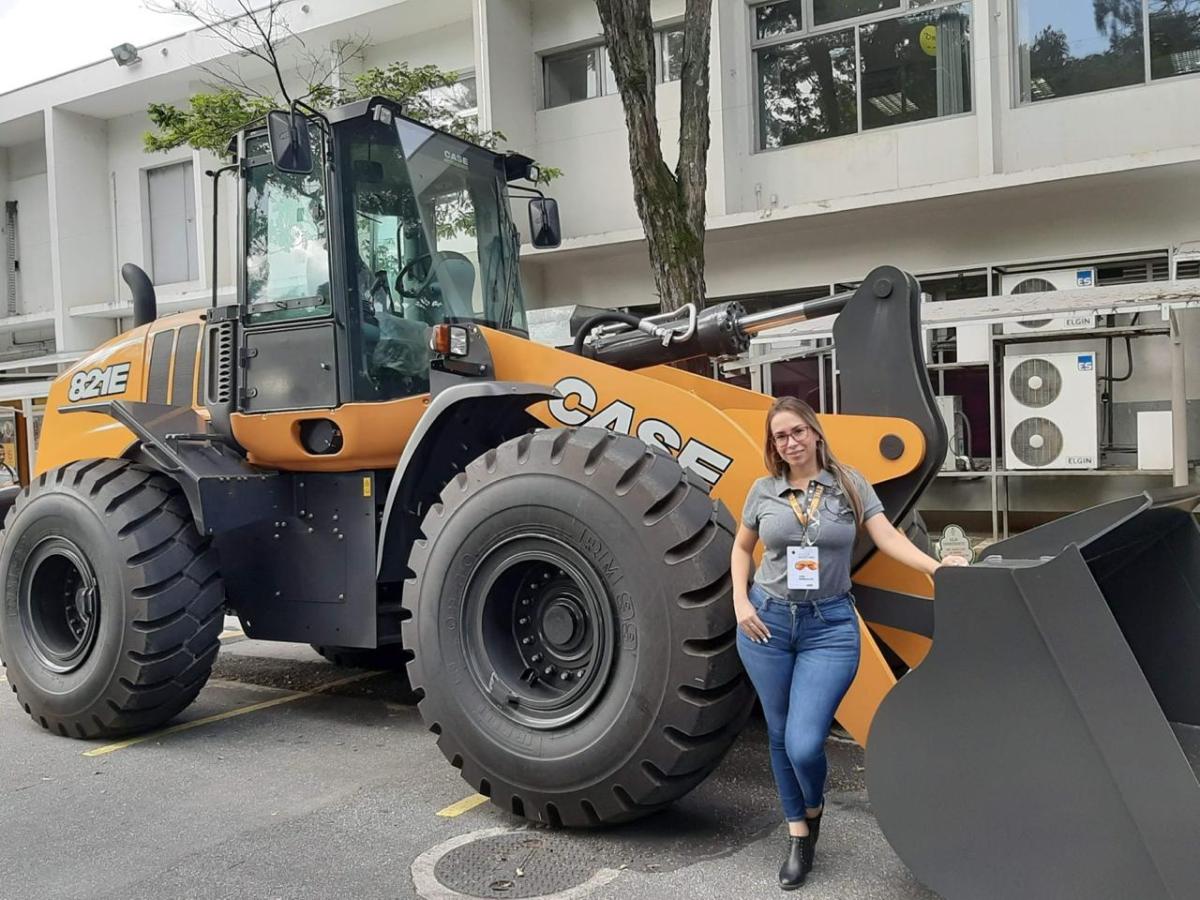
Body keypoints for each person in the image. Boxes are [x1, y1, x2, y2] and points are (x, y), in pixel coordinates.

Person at [732, 396, 966, 890]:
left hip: (829, 626)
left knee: (804, 740)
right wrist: (741, 604)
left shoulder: (849, 486)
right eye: (780, 436)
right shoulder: (763, 490)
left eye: (797, 432)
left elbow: (886, 537)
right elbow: (742, 547)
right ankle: (798, 834)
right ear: (772, 445)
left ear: (815, 433)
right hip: (767, 624)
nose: (789, 442)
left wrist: (936, 568)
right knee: (778, 734)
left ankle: (812, 807)